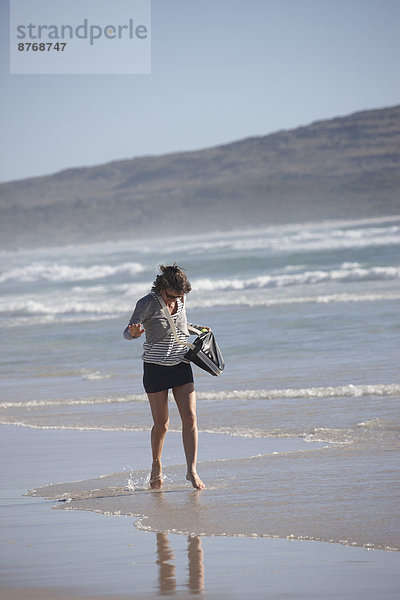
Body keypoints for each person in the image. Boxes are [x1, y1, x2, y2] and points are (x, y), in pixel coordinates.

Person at [123, 264, 207, 490]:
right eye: (171, 296)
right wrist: (133, 334)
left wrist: (199, 329)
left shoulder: (181, 299)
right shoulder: (146, 303)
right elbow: (127, 332)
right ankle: (156, 465)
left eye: (179, 296)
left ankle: (191, 470)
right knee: (162, 425)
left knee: (190, 418)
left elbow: (180, 327)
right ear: (162, 288)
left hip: (181, 364)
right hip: (155, 368)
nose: (175, 300)